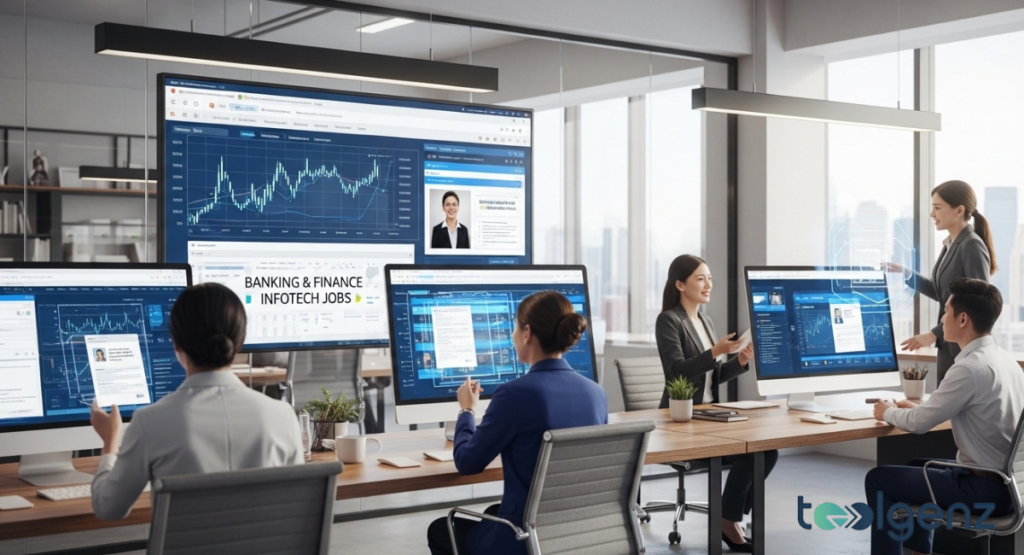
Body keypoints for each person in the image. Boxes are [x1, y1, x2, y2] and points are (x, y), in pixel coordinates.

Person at [89, 283, 303, 521]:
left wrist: (110, 441)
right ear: (239, 342)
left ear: (176, 345)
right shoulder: (283, 417)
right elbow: (295, 511)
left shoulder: (150, 422)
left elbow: (108, 508)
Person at [426, 291, 607, 555]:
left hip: (524, 540)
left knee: (440, 528)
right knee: (492, 512)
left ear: (527, 333)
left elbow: (467, 462)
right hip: (576, 535)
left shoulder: (514, 393)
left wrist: (466, 410)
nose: (512, 336)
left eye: (514, 328)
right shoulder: (597, 393)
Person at [865, 278, 1024, 555]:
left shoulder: (969, 368)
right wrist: (912, 409)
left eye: (946, 311)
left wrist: (886, 412)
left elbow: (918, 425)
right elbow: (937, 413)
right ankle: (919, 552)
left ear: (963, 319)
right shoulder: (1004, 359)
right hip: (1012, 486)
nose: (941, 318)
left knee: (878, 480)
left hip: (984, 491)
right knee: (917, 464)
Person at [655, 254, 778, 553]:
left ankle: (728, 516)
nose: (708, 284)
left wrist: (739, 361)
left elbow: (715, 374)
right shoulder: (669, 320)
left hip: (708, 414)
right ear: (680, 284)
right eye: (700, 278)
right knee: (751, 456)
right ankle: (727, 521)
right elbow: (678, 370)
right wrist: (713, 351)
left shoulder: (705, 320)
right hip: (681, 418)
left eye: (709, 277)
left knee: (767, 451)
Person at [883, 180, 996, 383]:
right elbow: (941, 292)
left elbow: (977, 302)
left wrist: (934, 334)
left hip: (963, 348)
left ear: (958, 210)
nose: (931, 214)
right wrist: (906, 273)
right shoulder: (950, 245)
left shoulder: (971, 245)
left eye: (937, 208)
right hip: (950, 346)